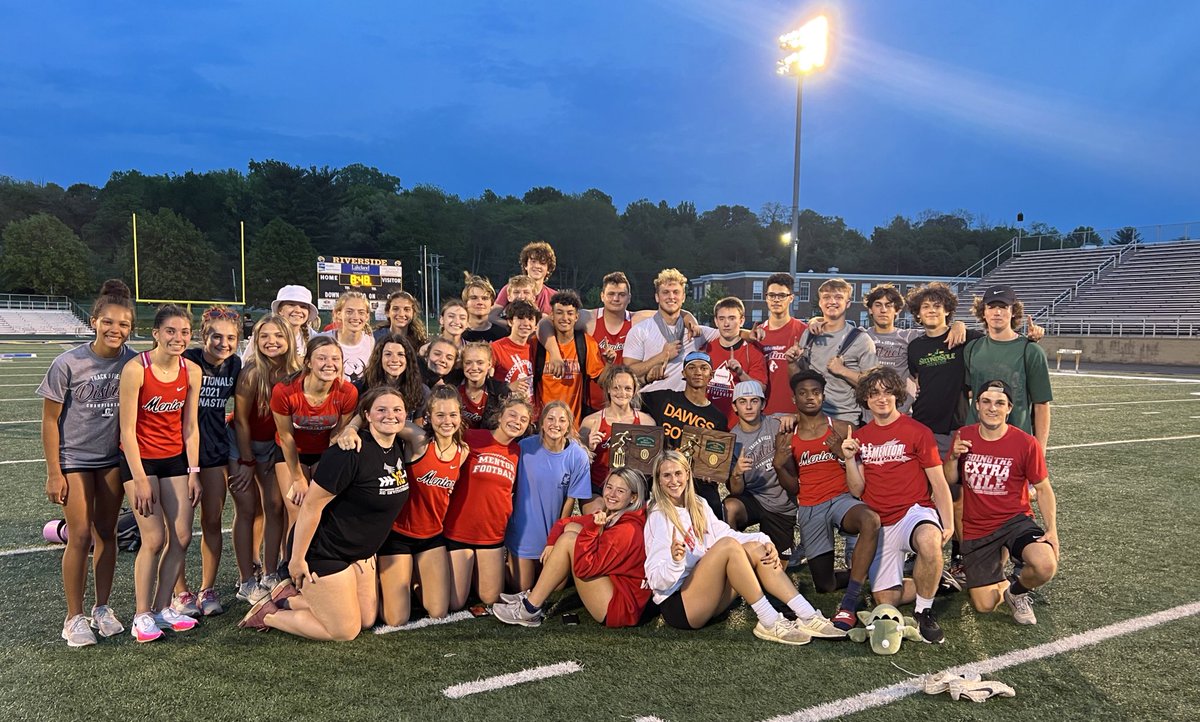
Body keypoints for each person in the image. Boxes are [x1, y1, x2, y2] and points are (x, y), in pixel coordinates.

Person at [239, 387, 411, 641]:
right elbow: (310, 506)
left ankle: (290, 600)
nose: (391, 415)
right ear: (367, 415)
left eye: (397, 410)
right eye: (381, 410)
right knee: (345, 631)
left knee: (366, 619)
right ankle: (268, 614)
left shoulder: (397, 445)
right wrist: (296, 560)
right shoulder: (348, 452)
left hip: (357, 553)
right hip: (324, 550)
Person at [643, 451, 841, 643]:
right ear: (658, 480)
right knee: (728, 547)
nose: (673, 480)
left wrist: (764, 540)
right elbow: (656, 581)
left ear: (687, 474)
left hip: (707, 596)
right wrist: (676, 562)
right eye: (666, 475)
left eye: (678, 473)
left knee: (755, 547)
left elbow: (727, 534)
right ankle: (769, 621)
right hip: (680, 607)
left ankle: (807, 615)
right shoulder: (658, 516)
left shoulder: (698, 504)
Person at [39, 279, 138, 646]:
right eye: (108, 322)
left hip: (112, 459)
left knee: (107, 535)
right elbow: (50, 420)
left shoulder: (132, 362)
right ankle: (73, 616)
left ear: (131, 328)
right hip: (75, 460)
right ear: (94, 320)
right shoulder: (68, 363)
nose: (116, 329)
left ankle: (102, 608)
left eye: (124, 324)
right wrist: (54, 472)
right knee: (79, 536)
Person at [336, 385, 467, 627]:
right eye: (440, 415)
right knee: (397, 619)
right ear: (428, 417)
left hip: (432, 536)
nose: (447, 421)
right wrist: (351, 428)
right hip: (398, 535)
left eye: (453, 415)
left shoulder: (463, 451)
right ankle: (385, 583)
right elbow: (374, 415)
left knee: (438, 611)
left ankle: (414, 579)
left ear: (461, 416)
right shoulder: (418, 439)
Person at [840, 366, 953, 644]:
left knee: (929, 541)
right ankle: (935, 579)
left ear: (897, 395)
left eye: (888, 392)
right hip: (880, 524)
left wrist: (947, 523)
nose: (882, 398)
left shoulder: (917, 431)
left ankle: (924, 610)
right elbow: (857, 490)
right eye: (875, 393)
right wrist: (849, 459)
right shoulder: (862, 437)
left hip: (913, 513)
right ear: (865, 398)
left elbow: (938, 482)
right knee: (884, 600)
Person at [118, 305, 204, 642]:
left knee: (181, 536)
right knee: (153, 538)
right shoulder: (136, 369)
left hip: (174, 460)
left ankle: (161, 608)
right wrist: (139, 478)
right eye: (170, 331)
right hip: (139, 460)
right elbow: (126, 431)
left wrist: (194, 472)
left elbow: (191, 428)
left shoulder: (191, 371)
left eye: (184, 332)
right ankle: (141, 616)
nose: (178, 338)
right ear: (156, 333)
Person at [944, 380, 1059, 625]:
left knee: (1045, 564)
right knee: (984, 606)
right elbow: (950, 479)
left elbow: (1043, 488)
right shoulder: (965, 435)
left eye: (999, 403)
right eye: (986, 401)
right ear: (977, 405)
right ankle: (1001, 577)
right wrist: (953, 457)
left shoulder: (1026, 443)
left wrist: (1052, 530)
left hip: (1014, 521)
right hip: (977, 528)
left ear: (1009, 409)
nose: (992, 408)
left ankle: (1017, 592)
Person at [773, 370, 880, 631]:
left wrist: (842, 456)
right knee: (825, 584)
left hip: (842, 500)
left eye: (815, 392)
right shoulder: (787, 436)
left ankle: (850, 601)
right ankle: (867, 573)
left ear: (823, 395)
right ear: (794, 398)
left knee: (870, 520)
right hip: (810, 506)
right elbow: (792, 488)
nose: (810, 397)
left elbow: (858, 477)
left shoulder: (842, 428)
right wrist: (779, 467)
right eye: (803, 393)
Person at [493, 468, 651, 628]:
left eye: (620, 491)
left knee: (569, 540)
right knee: (572, 529)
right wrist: (551, 543)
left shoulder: (627, 529)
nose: (612, 494)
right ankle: (534, 594)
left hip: (620, 608)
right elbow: (566, 523)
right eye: (609, 487)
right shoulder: (615, 515)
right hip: (615, 586)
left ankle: (530, 608)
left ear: (633, 497)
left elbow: (585, 569)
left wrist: (591, 530)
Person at [173, 306, 243, 617]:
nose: (223, 343)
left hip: (214, 450)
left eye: (230, 338)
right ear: (205, 336)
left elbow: (240, 410)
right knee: (178, 528)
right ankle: (180, 591)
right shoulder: (187, 360)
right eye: (217, 336)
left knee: (212, 521)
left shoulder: (235, 365)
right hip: (179, 450)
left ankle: (207, 587)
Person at [270, 336, 359, 577]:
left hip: (324, 451)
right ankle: (289, 567)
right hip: (291, 453)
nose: (329, 364)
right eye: (322, 358)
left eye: (335, 359)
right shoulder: (285, 391)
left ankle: (317, 563)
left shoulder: (347, 391)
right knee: (297, 510)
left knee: (321, 508)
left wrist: (326, 466)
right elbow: (286, 436)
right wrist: (298, 477)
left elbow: (339, 432)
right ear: (308, 362)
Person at [230, 314, 300, 603]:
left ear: (289, 340)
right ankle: (246, 579)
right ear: (256, 341)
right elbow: (243, 422)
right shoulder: (250, 372)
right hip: (243, 445)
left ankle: (271, 573)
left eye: (278, 336)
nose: (272, 342)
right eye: (265, 337)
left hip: (275, 446)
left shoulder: (295, 372)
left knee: (275, 506)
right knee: (248, 509)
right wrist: (247, 461)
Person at [441, 396, 534, 610]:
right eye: (512, 415)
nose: (516, 422)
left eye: (523, 419)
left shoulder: (518, 452)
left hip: (492, 534)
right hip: (459, 530)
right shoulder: (471, 437)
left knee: (490, 598)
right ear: (499, 416)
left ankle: (474, 573)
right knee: (455, 603)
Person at [506, 400, 592, 592]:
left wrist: (556, 540)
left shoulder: (577, 456)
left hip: (552, 528)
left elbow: (571, 501)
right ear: (542, 423)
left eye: (562, 420)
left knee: (557, 587)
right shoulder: (524, 447)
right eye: (550, 419)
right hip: (524, 529)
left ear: (569, 425)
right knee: (521, 586)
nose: (556, 424)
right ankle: (505, 562)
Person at [639, 351, 729, 518]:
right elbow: (627, 396)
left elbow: (716, 458)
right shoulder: (662, 398)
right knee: (635, 487)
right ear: (683, 373)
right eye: (691, 367)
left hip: (692, 477)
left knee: (713, 502)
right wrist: (646, 379)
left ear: (712, 375)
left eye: (703, 368)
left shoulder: (718, 418)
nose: (697, 372)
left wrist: (711, 473)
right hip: (658, 469)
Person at [964, 285, 1053, 450]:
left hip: (1017, 442)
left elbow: (1041, 405)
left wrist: (1039, 451)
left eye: (1003, 307)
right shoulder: (972, 348)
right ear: (983, 312)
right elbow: (969, 391)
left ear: (1013, 311)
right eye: (991, 307)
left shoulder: (1031, 351)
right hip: (975, 442)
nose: (997, 312)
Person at [721, 381, 798, 562]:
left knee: (777, 565)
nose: (748, 406)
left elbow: (809, 417)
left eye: (754, 401)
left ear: (762, 404)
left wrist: (794, 417)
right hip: (754, 499)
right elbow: (736, 491)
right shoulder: (733, 440)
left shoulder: (776, 422)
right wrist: (737, 473)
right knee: (730, 506)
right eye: (742, 401)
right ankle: (734, 559)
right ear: (734, 407)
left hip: (782, 503)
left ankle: (788, 545)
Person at [861, 283, 964, 414]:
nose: (883, 310)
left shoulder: (911, 337)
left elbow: (938, 332)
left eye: (889, 305)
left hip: (902, 413)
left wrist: (958, 325)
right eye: (878, 305)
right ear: (870, 309)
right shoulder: (861, 336)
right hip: (868, 414)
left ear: (897, 310)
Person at [792, 278, 878, 425]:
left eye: (838, 297)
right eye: (826, 297)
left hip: (845, 419)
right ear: (820, 302)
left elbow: (874, 386)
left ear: (848, 303)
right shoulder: (809, 334)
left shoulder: (861, 340)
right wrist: (792, 362)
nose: (832, 302)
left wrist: (842, 371)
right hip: (812, 419)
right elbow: (797, 379)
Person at [623, 268, 717, 392]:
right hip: (649, 401)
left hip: (684, 405)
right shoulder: (640, 331)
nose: (671, 297)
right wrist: (661, 357)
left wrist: (750, 334)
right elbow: (628, 371)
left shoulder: (695, 331)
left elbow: (731, 333)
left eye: (676, 292)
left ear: (683, 297)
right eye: (665, 292)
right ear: (657, 297)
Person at [579, 365, 656, 510]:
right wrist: (588, 450)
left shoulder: (647, 422)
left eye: (627, 388)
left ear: (634, 392)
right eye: (616, 388)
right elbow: (578, 466)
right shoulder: (590, 422)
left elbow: (651, 464)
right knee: (597, 516)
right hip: (598, 489)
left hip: (632, 490)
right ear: (608, 389)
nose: (622, 393)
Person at [534, 289, 604, 424]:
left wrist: (609, 364)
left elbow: (599, 377)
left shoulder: (585, 343)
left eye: (570, 313)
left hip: (573, 425)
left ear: (576, 317)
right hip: (541, 425)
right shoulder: (538, 344)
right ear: (552, 315)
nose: (565, 318)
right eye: (559, 313)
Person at [751, 272, 808, 418]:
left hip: (794, 414)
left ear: (791, 298)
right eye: (772, 295)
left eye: (781, 296)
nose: (776, 300)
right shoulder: (756, 335)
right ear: (766, 298)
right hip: (763, 414)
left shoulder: (803, 331)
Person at [705, 296, 767, 428]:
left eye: (732, 318)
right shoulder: (706, 348)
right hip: (708, 423)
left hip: (739, 427)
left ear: (742, 320)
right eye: (722, 319)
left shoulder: (753, 351)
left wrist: (740, 372)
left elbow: (761, 389)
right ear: (716, 321)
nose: (726, 324)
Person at [357, 332, 428, 423]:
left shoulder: (421, 391)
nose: (394, 360)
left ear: (408, 359)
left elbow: (418, 428)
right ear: (379, 358)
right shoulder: (362, 387)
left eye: (400, 354)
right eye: (388, 354)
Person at [317, 291, 375, 384]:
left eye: (361, 312)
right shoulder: (320, 340)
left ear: (367, 316)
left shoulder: (372, 343)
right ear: (338, 314)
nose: (356, 317)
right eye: (349, 311)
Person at [493, 241, 558, 316]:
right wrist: (512, 325)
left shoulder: (554, 297)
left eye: (542, 263)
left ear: (548, 269)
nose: (537, 266)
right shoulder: (510, 288)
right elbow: (492, 316)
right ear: (525, 266)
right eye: (533, 261)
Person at [490, 299, 539, 399]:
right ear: (510, 321)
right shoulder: (496, 348)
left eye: (530, 319)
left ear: (536, 325)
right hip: (505, 410)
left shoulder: (537, 347)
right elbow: (486, 383)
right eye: (520, 318)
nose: (525, 323)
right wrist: (507, 387)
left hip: (531, 411)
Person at [458, 342, 512, 429]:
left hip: (487, 440)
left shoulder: (500, 391)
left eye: (480, 363)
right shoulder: (453, 387)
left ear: (489, 364)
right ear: (462, 364)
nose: (474, 368)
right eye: (468, 363)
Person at [269, 285, 319, 357]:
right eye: (291, 305)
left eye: (303, 307)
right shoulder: (265, 334)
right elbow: (249, 364)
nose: (298, 310)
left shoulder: (313, 337)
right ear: (280, 310)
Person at [461, 274, 508, 342]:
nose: (480, 302)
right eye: (474, 298)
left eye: (485, 298)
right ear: (465, 303)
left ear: (492, 303)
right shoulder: (458, 333)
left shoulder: (502, 335)